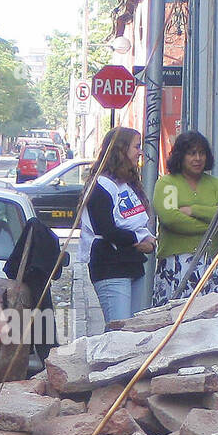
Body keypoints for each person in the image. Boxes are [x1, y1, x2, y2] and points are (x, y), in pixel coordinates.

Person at [78, 127, 155, 326]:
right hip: (110, 267)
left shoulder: (127, 183)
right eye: (136, 147)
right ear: (121, 149)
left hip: (133, 265)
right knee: (117, 332)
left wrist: (149, 240)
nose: (140, 152)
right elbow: (106, 229)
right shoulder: (100, 186)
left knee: (135, 331)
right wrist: (139, 241)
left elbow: (137, 221)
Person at [151, 131, 218, 305]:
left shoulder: (216, 184)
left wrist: (194, 210)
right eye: (192, 153)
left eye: (202, 153)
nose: (198, 158)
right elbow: (171, 219)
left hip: (210, 263)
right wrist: (213, 224)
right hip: (175, 266)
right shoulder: (168, 184)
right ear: (180, 156)